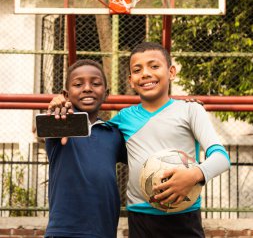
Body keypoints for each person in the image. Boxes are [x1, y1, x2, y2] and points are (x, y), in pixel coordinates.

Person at [49, 42, 230, 238]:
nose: (145, 73)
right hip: (140, 219)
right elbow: (87, 131)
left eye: (154, 66)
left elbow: (221, 158)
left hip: (183, 215)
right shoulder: (121, 120)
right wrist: (57, 107)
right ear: (131, 80)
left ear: (171, 72)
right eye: (137, 70)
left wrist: (194, 175)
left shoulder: (190, 110)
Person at [44, 59, 127, 238]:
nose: (87, 88)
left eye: (96, 83)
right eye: (78, 84)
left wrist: (186, 109)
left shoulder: (113, 133)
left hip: (103, 231)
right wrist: (55, 107)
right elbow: (39, 128)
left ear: (106, 93)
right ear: (66, 95)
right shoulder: (59, 125)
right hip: (63, 231)